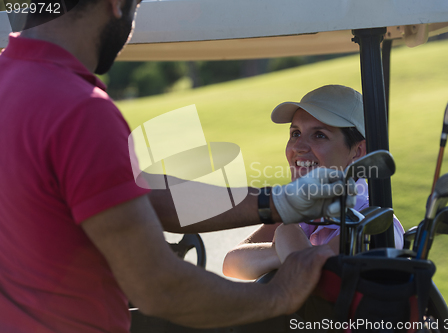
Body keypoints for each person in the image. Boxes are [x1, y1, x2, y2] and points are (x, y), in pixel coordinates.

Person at [0, 1, 356, 332]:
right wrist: (279, 295)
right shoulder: (80, 110)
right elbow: (159, 286)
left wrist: (275, 202)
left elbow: (139, 197)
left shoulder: (11, 80)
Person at [223, 85, 405, 280]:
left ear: (358, 152)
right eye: (295, 133)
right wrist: (288, 247)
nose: (298, 147)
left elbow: (318, 271)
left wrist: (286, 238)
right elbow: (231, 264)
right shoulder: (301, 208)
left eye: (319, 135)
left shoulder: (375, 223)